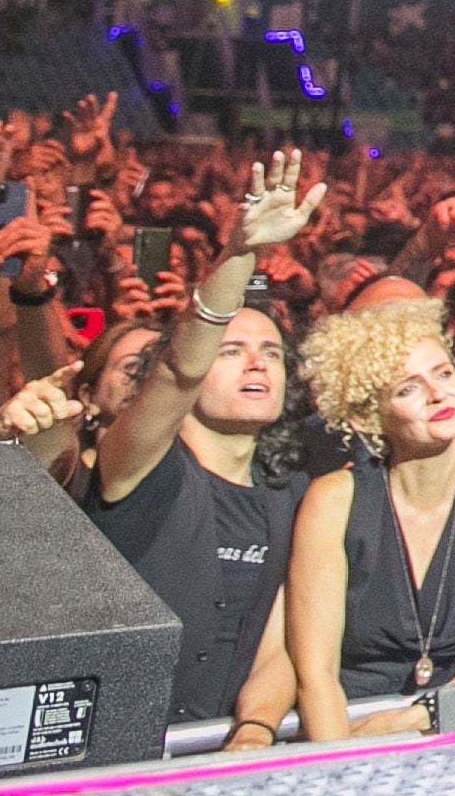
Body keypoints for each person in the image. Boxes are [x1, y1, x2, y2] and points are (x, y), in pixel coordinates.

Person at [88, 150, 320, 745]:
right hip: (116, 752)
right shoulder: (139, 466)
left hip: (221, 754)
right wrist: (240, 253)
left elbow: (285, 642)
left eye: (272, 354)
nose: (257, 364)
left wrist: (254, 732)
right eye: (231, 351)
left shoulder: (292, 495)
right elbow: (176, 373)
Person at [285, 302, 455, 738]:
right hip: (348, 728)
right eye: (407, 389)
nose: (437, 394)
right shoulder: (336, 500)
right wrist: (341, 762)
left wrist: (423, 716)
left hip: (452, 728)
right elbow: (315, 676)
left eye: (444, 374)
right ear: (368, 416)